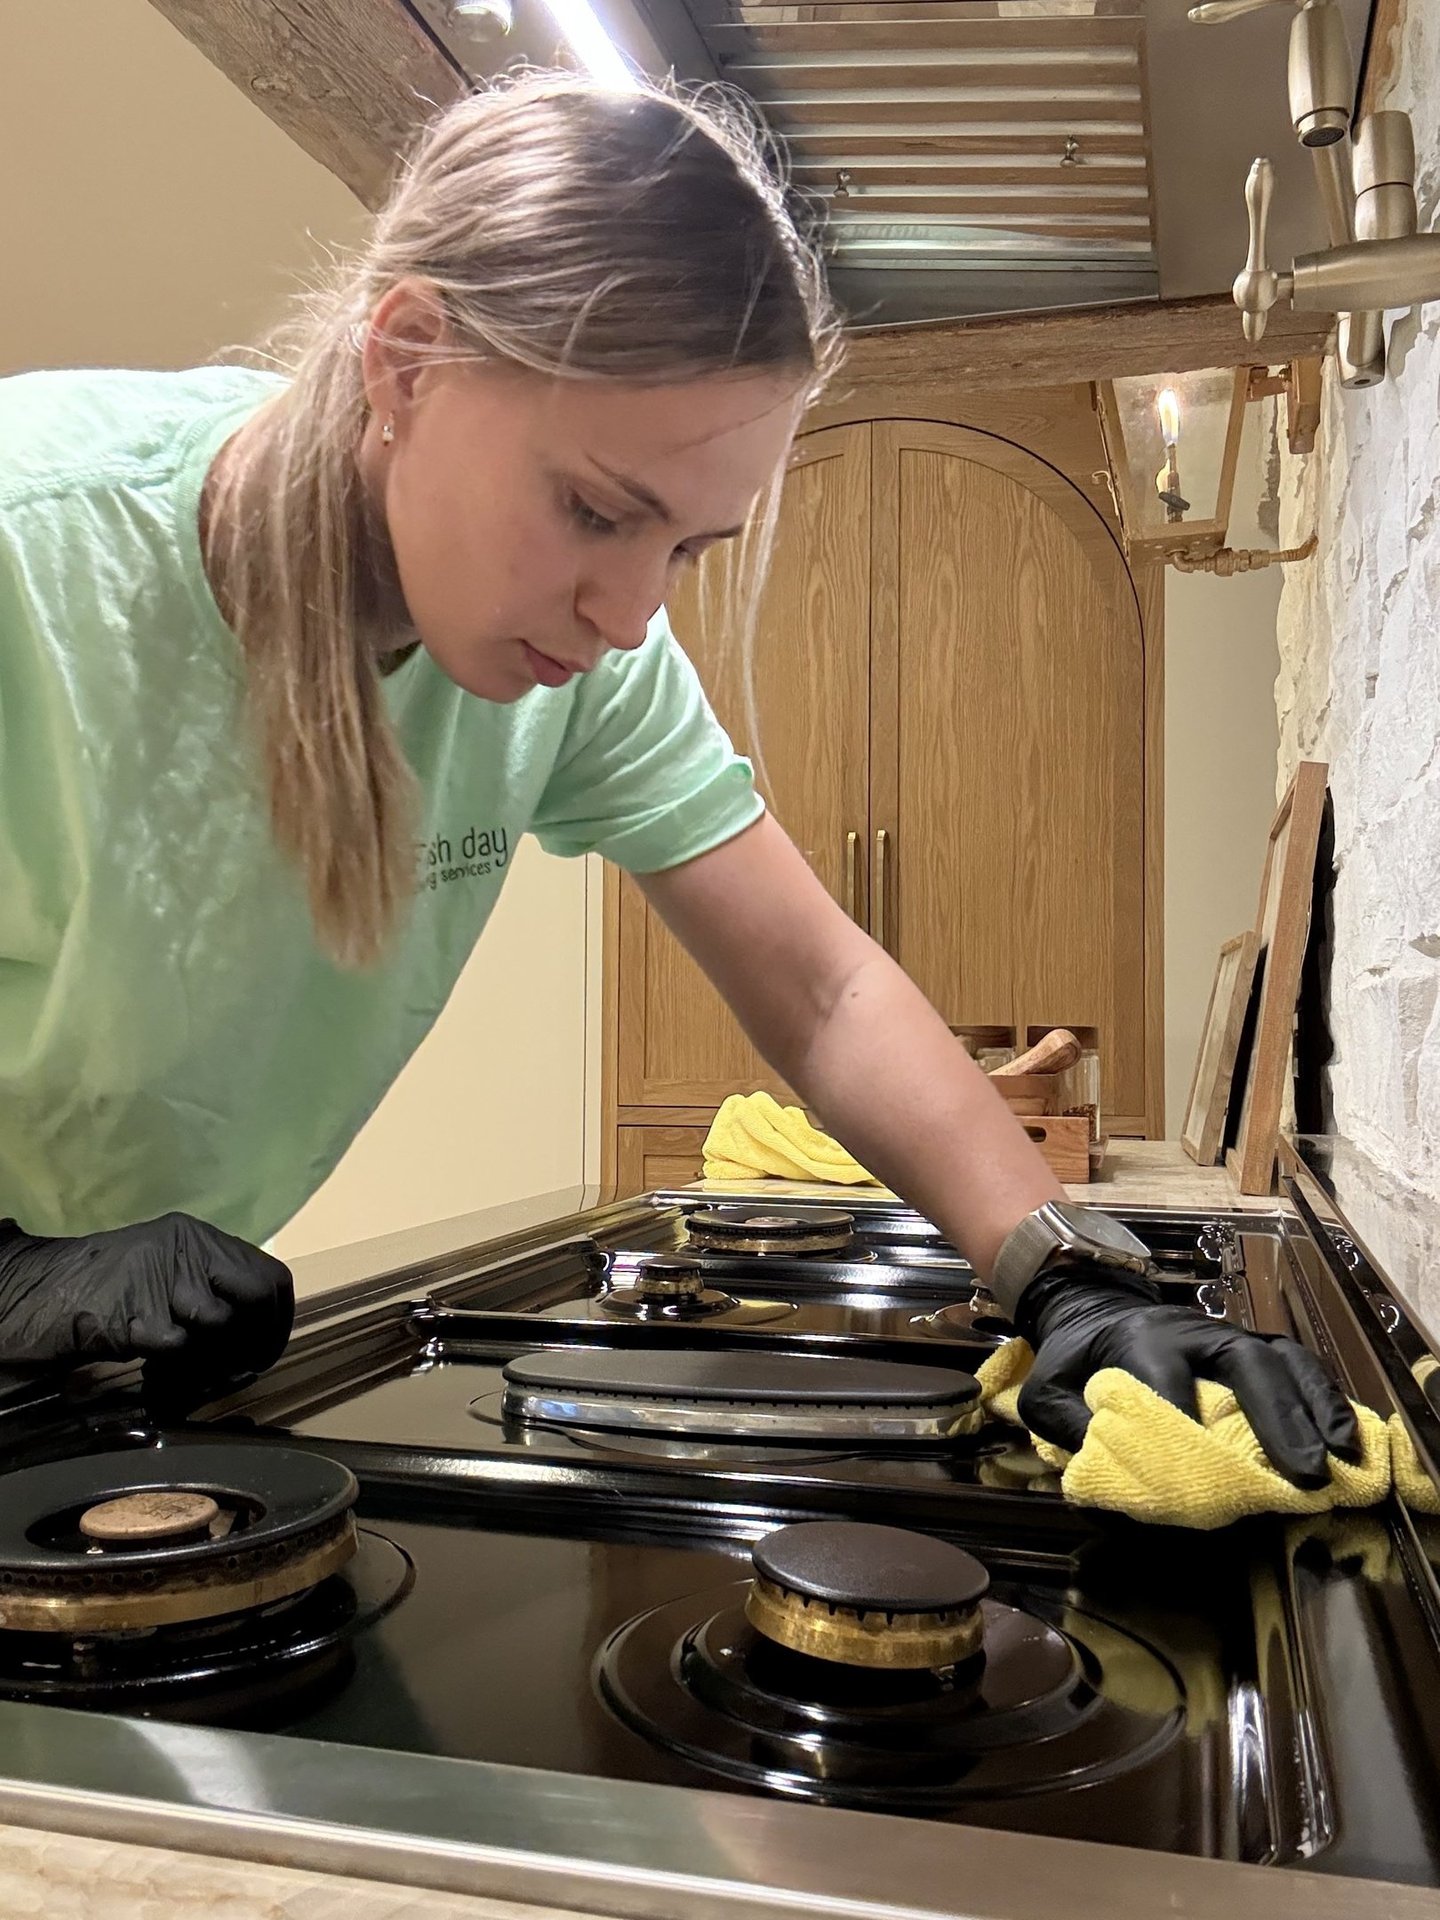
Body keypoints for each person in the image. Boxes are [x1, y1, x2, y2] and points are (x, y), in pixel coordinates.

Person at [0, 72, 1358, 1481]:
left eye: (689, 549)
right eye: (597, 511)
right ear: (405, 359)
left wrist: (1069, 1276)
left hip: (103, 1382)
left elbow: (823, 992)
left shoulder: (583, 663)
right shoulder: (29, 548)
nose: (630, 614)